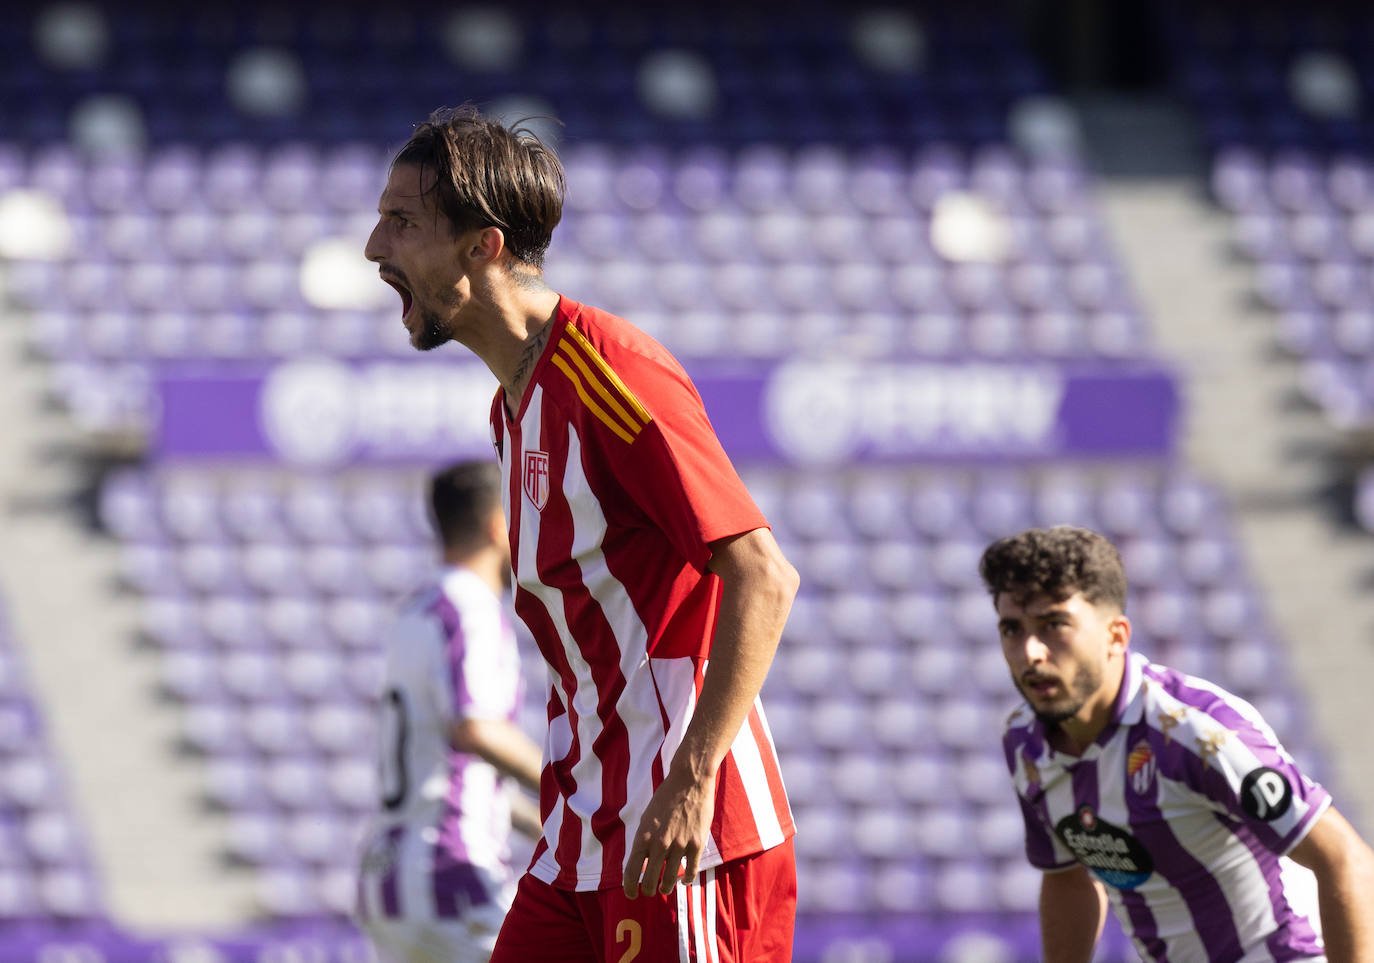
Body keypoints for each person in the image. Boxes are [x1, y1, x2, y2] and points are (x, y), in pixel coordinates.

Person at [364, 105, 799, 962]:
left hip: (679, 832)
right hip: (580, 831)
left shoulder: (606, 364)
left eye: (400, 222)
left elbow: (761, 573)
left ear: (481, 246)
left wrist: (691, 781)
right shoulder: (510, 409)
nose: (374, 248)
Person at [979, 525, 1374, 963]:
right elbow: (1069, 877)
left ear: (1116, 636)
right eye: (1012, 629)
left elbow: (1345, 858)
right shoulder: (1024, 743)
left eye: (1054, 625)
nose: (1030, 651)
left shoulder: (1197, 732)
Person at [355, 460, 544, 963]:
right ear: (497, 526)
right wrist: (574, 794)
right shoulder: (472, 608)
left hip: (390, 877)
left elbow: (447, 766)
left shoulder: (416, 611)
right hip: (451, 874)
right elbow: (477, 730)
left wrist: (542, 819)